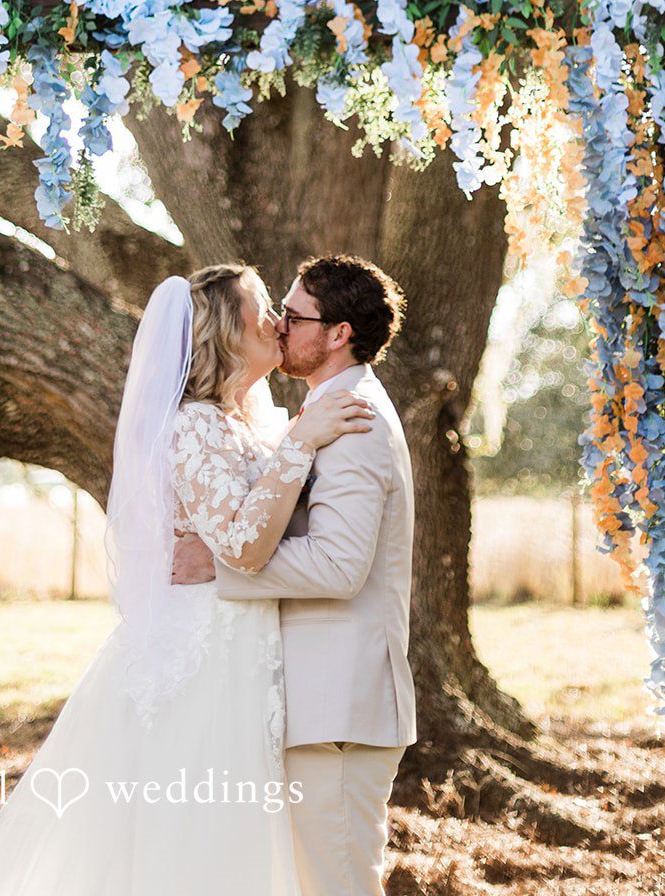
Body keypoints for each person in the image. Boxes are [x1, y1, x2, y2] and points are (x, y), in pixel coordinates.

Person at [0, 263, 376, 894]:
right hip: (202, 654)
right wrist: (302, 444)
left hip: (242, 642)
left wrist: (291, 445)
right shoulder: (193, 424)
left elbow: (264, 521)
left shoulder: (250, 420)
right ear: (228, 335)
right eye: (264, 313)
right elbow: (246, 544)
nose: (279, 323)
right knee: (195, 821)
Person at [172, 254, 416, 896]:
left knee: (336, 883)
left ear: (338, 333)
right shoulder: (319, 413)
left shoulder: (354, 421)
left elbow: (338, 566)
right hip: (311, 699)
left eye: (295, 315)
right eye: (275, 313)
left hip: (338, 704)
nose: (279, 325)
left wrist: (218, 571)